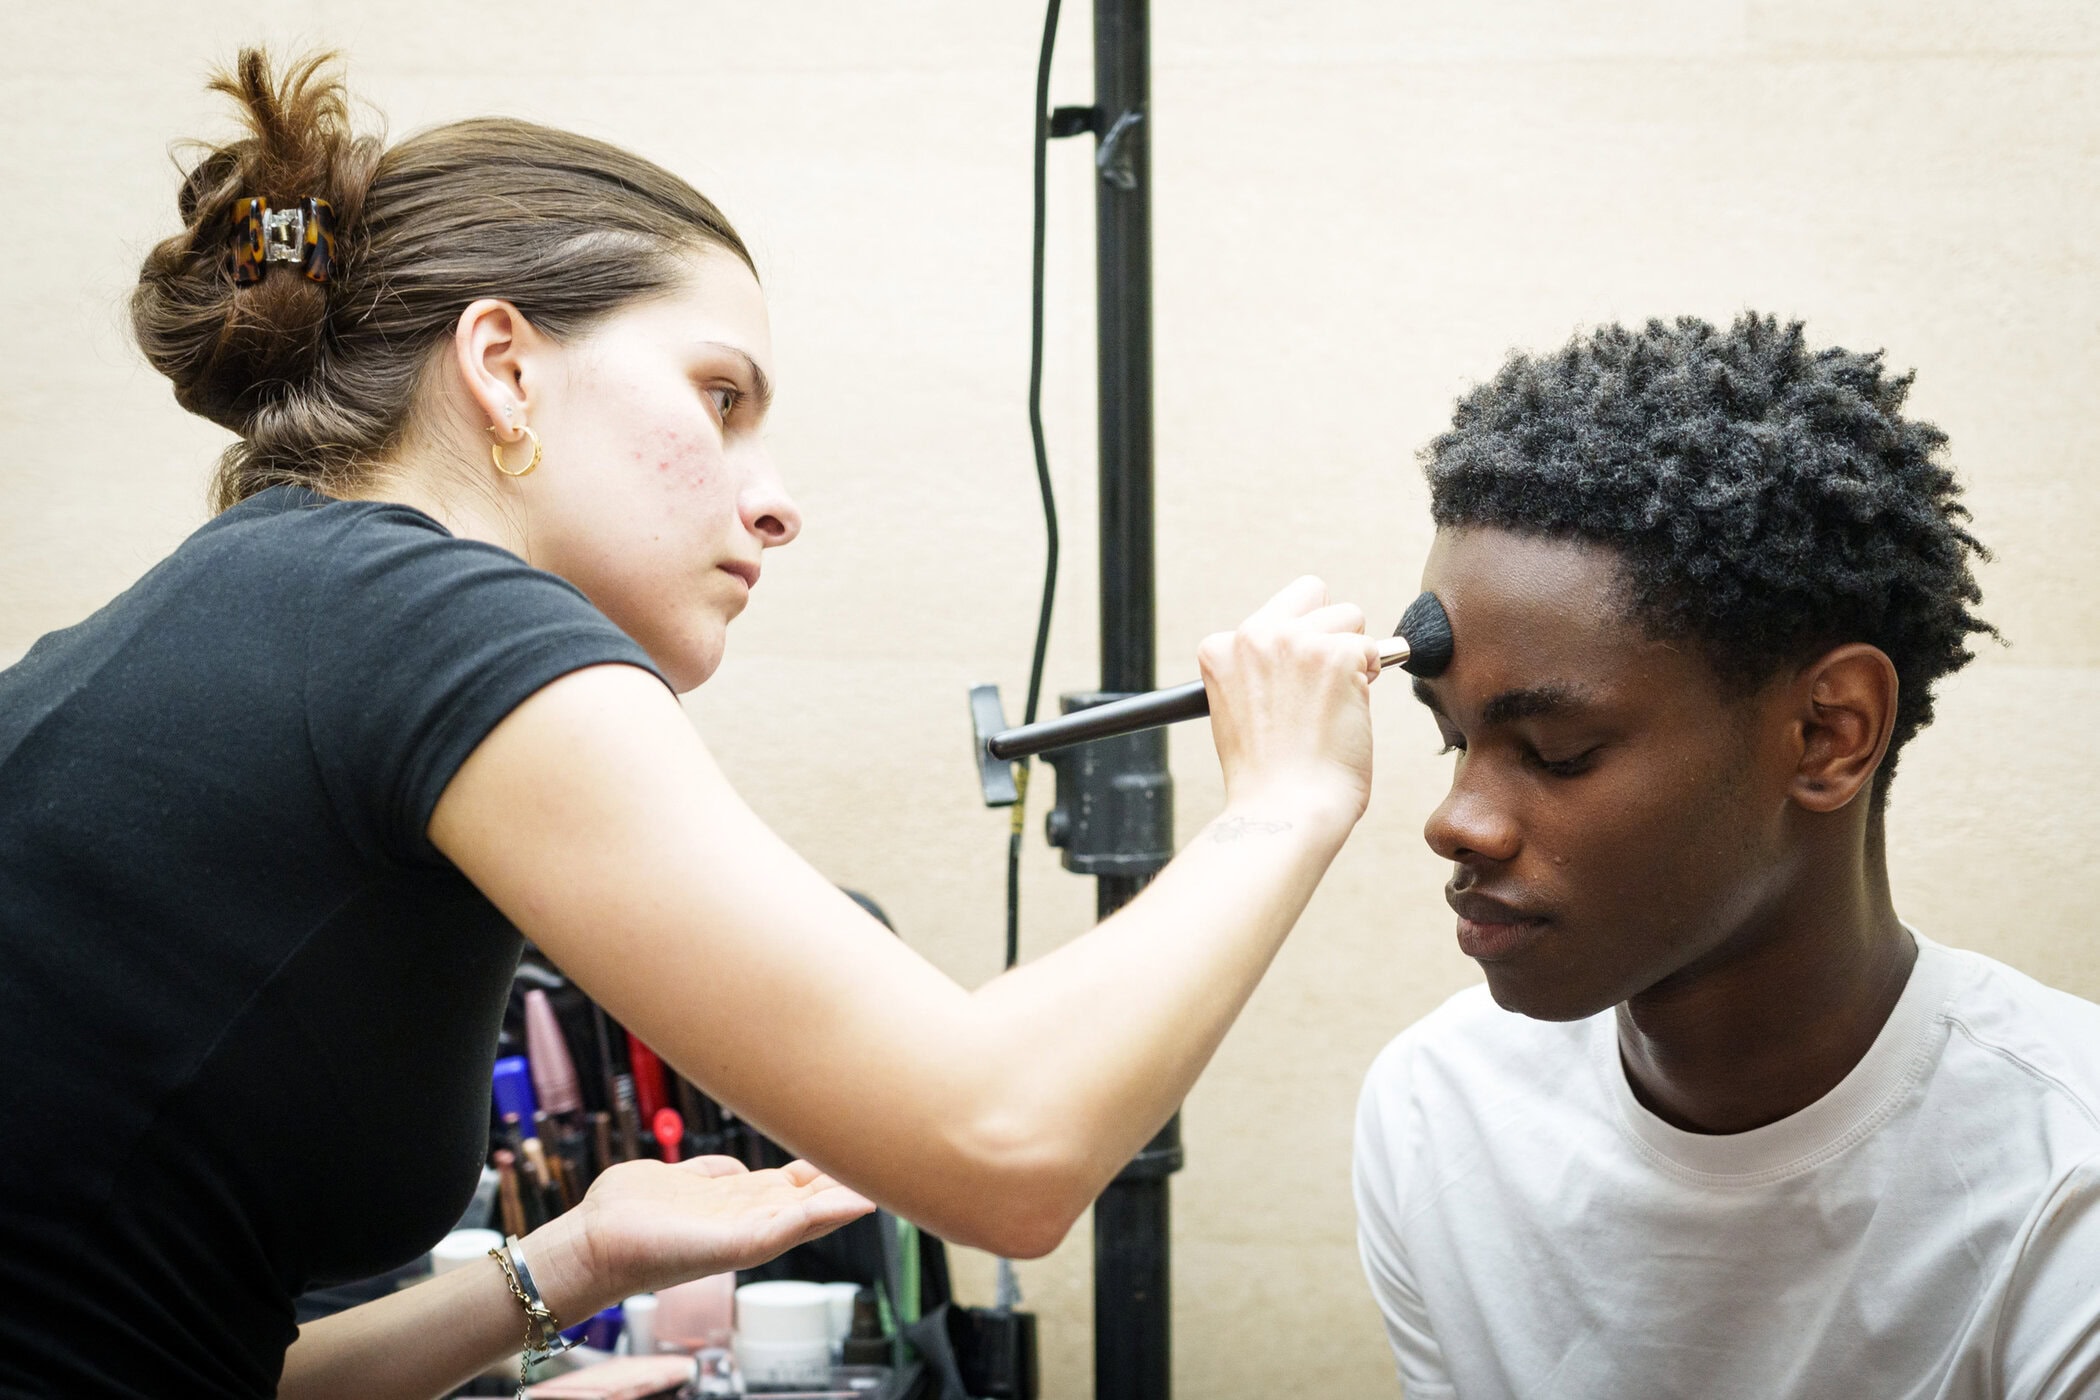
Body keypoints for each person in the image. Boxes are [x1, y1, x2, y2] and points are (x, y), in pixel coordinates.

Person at [0, 51, 1385, 1399]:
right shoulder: (433, 620)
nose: (776, 501)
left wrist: (578, 1258)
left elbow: (182, 1357)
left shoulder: (222, 614)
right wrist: (1285, 801)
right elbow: (1006, 1147)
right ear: (505, 367)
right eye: (720, 399)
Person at [1354, 314, 2100, 1399]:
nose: (1457, 820)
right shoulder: (1438, 1110)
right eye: (1452, 739)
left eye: (1557, 751)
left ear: (1827, 734)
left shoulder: (2067, 1175)